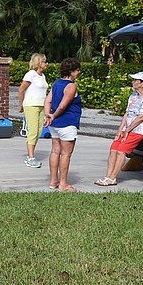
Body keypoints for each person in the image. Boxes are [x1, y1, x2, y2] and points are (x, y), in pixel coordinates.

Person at [94, 72, 143, 186]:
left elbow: (142, 117)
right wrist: (120, 129)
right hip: (128, 128)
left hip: (139, 129)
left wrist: (128, 130)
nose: (133, 82)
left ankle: (112, 178)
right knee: (113, 149)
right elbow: (127, 114)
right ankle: (108, 176)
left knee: (121, 151)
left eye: (135, 80)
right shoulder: (133, 95)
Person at [44, 58, 83, 192]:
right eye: (77, 70)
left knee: (55, 151)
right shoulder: (71, 86)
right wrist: (53, 115)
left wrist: (48, 115)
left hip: (55, 124)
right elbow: (63, 105)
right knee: (66, 154)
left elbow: (48, 101)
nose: (78, 73)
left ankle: (53, 180)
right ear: (71, 71)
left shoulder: (57, 83)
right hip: (67, 123)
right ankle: (63, 183)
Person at [19, 53, 50, 168]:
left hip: (41, 105)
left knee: (38, 131)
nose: (46, 63)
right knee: (32, 131)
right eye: (44, 61)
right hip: (31, 105)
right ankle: (31, 157)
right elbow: (21, 90)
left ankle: (31, 154)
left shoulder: (42, 76)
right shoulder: (30, 74)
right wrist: (21, 104)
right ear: (38, 62)